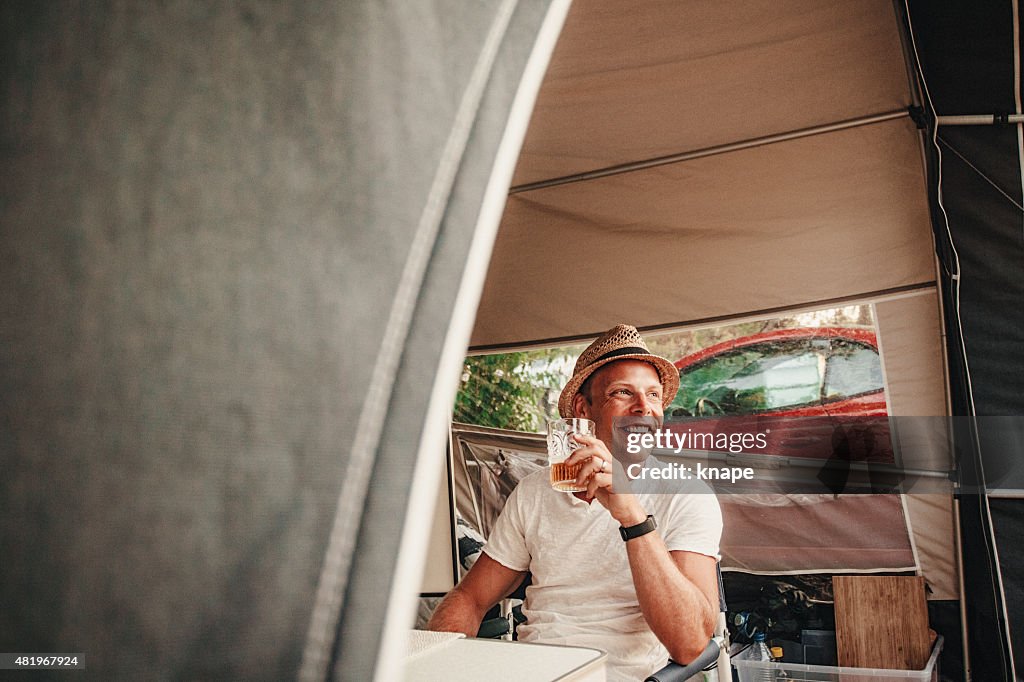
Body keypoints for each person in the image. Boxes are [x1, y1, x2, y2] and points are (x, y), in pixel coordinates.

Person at [428, 325, 723, 680]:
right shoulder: (535, 492)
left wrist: (631, 515)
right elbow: (470, 598)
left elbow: (690, 644)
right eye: (623, 392)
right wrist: (436, 661)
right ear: (584, 408)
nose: (644, 408)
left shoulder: (685, 494)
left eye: (654, 395)